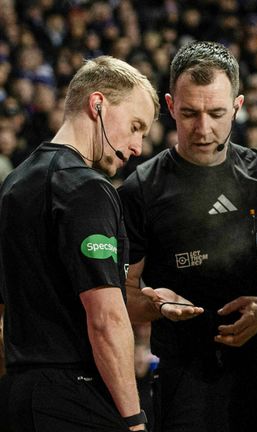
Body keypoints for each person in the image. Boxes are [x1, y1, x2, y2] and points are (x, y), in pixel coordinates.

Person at [118, 41, 257, 431]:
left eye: (217, 113)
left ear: (238, 107)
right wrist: (158, 308)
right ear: (171, 106)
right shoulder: (142, 188)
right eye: (190, 113)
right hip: (184, 380)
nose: (203, 128)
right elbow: (122, 293)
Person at [0, 56, 158, 431]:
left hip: (17, 396)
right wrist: (134, 420)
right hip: (73, 397)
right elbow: (106, 318)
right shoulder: (86, 187)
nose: (137, 147)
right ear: (98, 104)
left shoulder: (14, 185)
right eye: (135, 127)